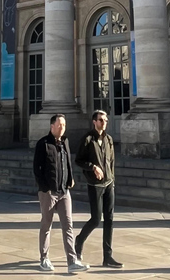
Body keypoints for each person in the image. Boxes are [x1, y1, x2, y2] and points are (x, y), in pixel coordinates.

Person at [33, 114, 89, 273]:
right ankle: (44, 258)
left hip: (64, 191)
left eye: (64, 125)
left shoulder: (65, 142)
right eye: (59, 125)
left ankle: (72, 261)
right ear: (52, 126)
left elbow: (67, 163)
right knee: (46, 225)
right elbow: (37, 169)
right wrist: (45, 188)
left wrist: (70, 179)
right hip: (49, 192)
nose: (62, 128)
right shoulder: (43, 144)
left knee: (68, 225)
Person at [74, 110, 123, 268]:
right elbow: (79, 160)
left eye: (106, 120)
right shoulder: (88, 139)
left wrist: (112, 179)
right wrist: (93, 167)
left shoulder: (108, 139)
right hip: (94, 185)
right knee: (96, 219)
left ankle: (107, 257)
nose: (104, 123)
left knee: (109, 219)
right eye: (101, 120)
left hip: (109, 184)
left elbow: (112, 161)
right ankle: (79, 240)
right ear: (94, 122)